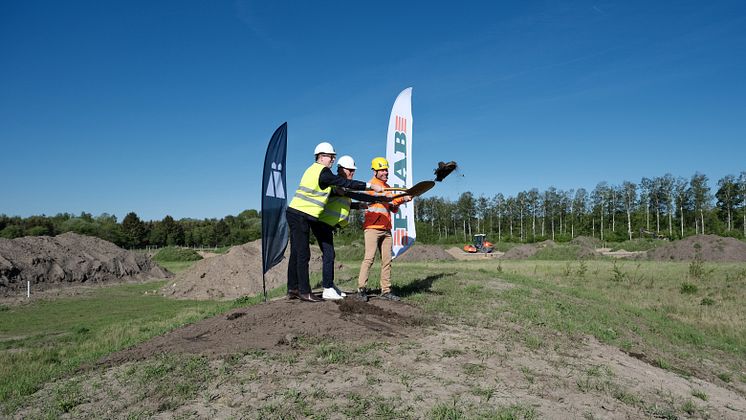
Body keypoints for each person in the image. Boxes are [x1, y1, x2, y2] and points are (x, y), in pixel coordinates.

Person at [286, 142, 383, 302]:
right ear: (322, 156)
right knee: (303, 254)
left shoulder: (313, 170)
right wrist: (370, 186)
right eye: (331, 156)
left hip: (295, 213)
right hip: (300, 215)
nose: (332, 160)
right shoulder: (323, 172)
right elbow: (346, 184)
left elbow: (346, 191)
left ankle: (293, 288)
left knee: (296, 253)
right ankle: (304, 291)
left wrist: (369, 201)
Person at [317, 155, 391, 300]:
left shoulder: (342, 185)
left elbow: (346, 200)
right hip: (321, 222)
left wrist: (358, 205)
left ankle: (329, 286)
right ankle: (328, 288)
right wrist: (374, 196)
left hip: (329, 225)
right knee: (329, 255)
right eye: (349, 170)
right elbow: (341, 193)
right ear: (340, 170)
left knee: (330, 255)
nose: (352, 173)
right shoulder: (334, 182)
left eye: (353, 170)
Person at [357, 157, 412, 301]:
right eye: (382, 170)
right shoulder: (371, 186)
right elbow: (382, 199)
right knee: (369, 259)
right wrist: (399, 198)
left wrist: (402, 200)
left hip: (386, 230)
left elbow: (392, 207)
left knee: (387, 261)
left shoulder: (387, 187)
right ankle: (361, 289)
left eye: (386, 169)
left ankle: (386, 290)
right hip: (372, 228)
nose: (386, 172)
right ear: (375, 171)